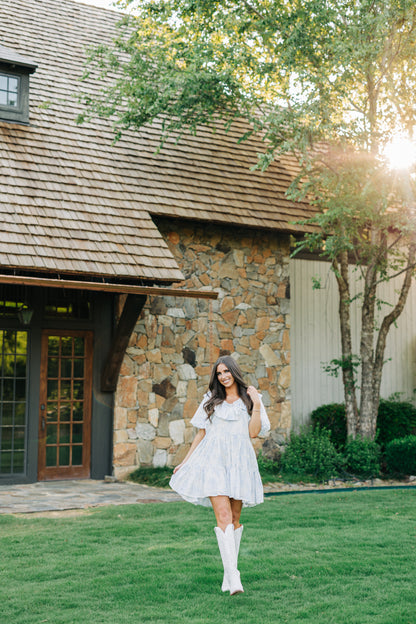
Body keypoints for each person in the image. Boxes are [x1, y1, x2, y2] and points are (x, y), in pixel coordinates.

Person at [169, 355, 270, 595]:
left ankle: (228, 576)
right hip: (214, 462)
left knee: (235, 519)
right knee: (223, 517)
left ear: (234, 372)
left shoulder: (251, 398)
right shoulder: (211, 400)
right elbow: (201, 434)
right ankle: (235, 578)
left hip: (240, 463)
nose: (223, 376)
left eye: (226, 371)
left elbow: (254, 433)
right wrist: (185, 461)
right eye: (219, 373)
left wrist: (256, 402)